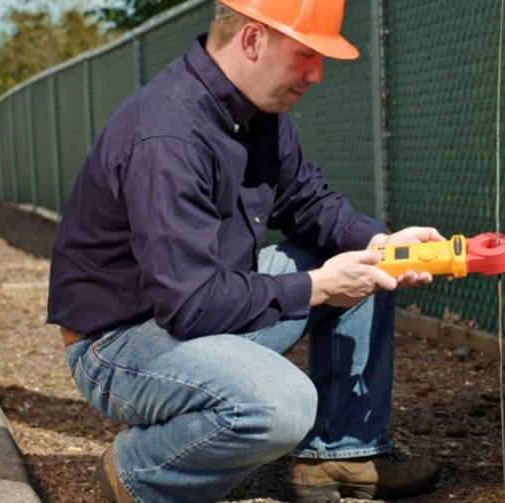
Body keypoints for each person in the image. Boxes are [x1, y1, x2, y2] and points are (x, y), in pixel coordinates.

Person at [47, 1, 443, 502]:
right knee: (282, 405)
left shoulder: (258, 108)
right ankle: (139, 472)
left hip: (196, 307)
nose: (317, 74)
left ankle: (340, 453)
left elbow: (306, 200)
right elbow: (191, 304)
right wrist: (319, 286)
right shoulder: (166, 134)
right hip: (120, 343)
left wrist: (381, 246)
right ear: (253, 40)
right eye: (306, 54)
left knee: (364, 249)